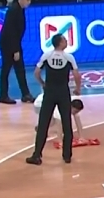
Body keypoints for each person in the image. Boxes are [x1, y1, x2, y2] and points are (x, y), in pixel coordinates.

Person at [27, 34, 81, 166]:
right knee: (67, 124)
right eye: (65, 40)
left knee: (43, 124)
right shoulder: (69, 57)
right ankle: (67, 156)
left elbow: (36, 72)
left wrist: (42, 83)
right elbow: (76, 75)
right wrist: (78, 88)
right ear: (60, 43)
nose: (66, 41)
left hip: (50, 92)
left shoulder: (47, 56)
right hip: (63, 92)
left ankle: (37, 155)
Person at [0, 0, 35, 105]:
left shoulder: (19, 9)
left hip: (13, 43)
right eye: (28, 0)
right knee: (6, 70)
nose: (29, 3)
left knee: (20, 70)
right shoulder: (14, 10)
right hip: (8, 45)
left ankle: (25, 94)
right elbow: (11, 31)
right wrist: (15, 50)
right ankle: (3, 95)